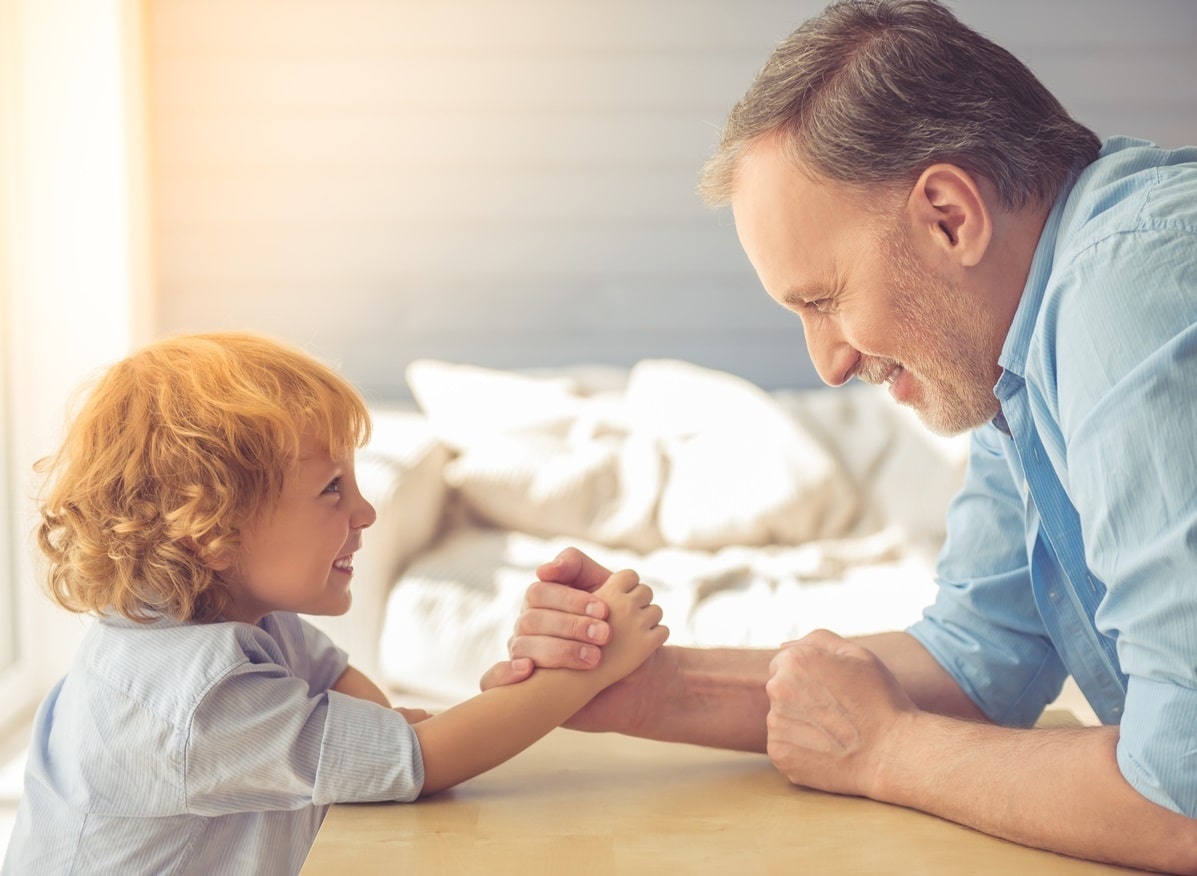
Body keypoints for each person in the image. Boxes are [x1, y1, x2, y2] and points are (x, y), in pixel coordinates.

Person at [480, 0, 1197, 871]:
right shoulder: (1015, 348)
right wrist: (652, 689)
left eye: (823, 300)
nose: (826, 362)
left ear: (947, 215)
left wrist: (888, 753)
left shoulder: (1127, 299)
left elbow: (1180, 795)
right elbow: (979, 660)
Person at [1, 332, 668, 876]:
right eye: (331, 488)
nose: (366, 510)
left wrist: (487, 712)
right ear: (211, 530)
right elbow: (416, 762)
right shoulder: (196, 695)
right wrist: (585, 670)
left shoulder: (244, 619)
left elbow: (376, 725)